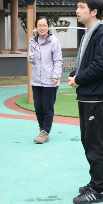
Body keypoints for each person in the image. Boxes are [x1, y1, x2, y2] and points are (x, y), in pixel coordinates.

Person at [69, 0, 103, 204]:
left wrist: (79, 79)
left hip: (97, 97)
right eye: (77, 7)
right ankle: (95, 181)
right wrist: (75, 74)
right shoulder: (90, 32)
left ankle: (98, 189)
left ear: (94, 11)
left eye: (82, 7)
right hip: (89, 95)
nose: (77, 11)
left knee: (95, 143)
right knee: (88, 141)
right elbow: (87, 62)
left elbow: (102, 64)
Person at [28, 16, 63, 144]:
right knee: (38, 107)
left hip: (50, 80)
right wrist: (30, 59)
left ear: (48, 27)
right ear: (36, 27)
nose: (42, 28)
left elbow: (58, 60)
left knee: (47, 108)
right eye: (39, 25)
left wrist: (56, 76)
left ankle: (45, 132)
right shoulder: (32, 41)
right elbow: (31, 60)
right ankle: (42, 129)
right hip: (36, 80)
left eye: (44, 25)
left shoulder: (54, 41)